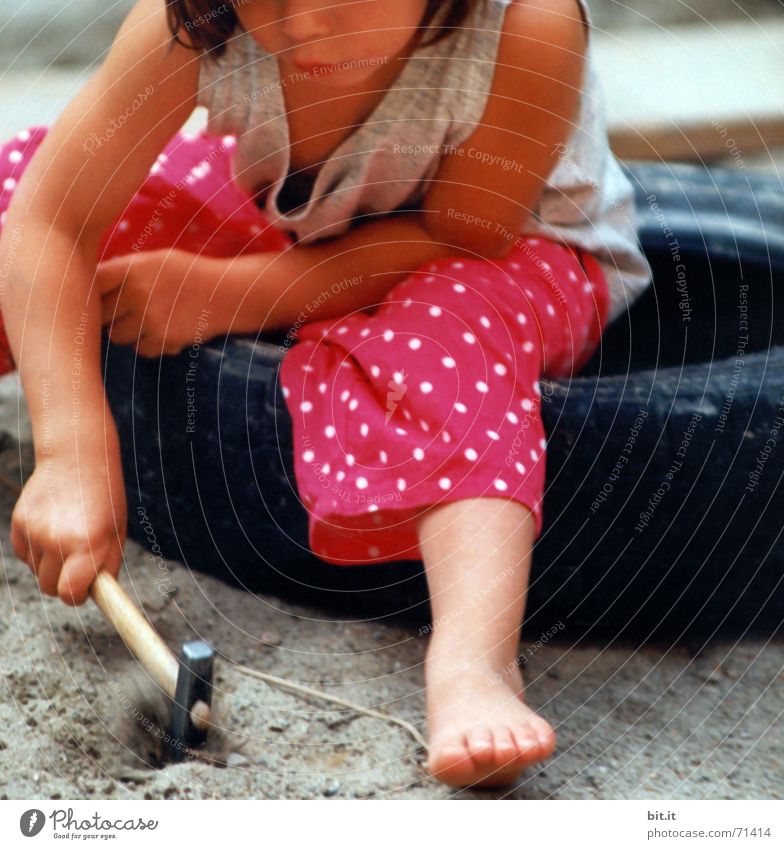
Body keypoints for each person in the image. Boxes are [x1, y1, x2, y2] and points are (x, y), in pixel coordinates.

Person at [0, 0, 652, 788]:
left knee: (439, 334)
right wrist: (71, 450)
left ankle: (475, 661)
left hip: (504, 254)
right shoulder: (194, 19)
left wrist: (238, 293)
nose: (304, 25)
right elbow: (55, 219)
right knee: (16, 180)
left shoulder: (526, 26)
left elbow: (461, 238)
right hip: (300, 216)